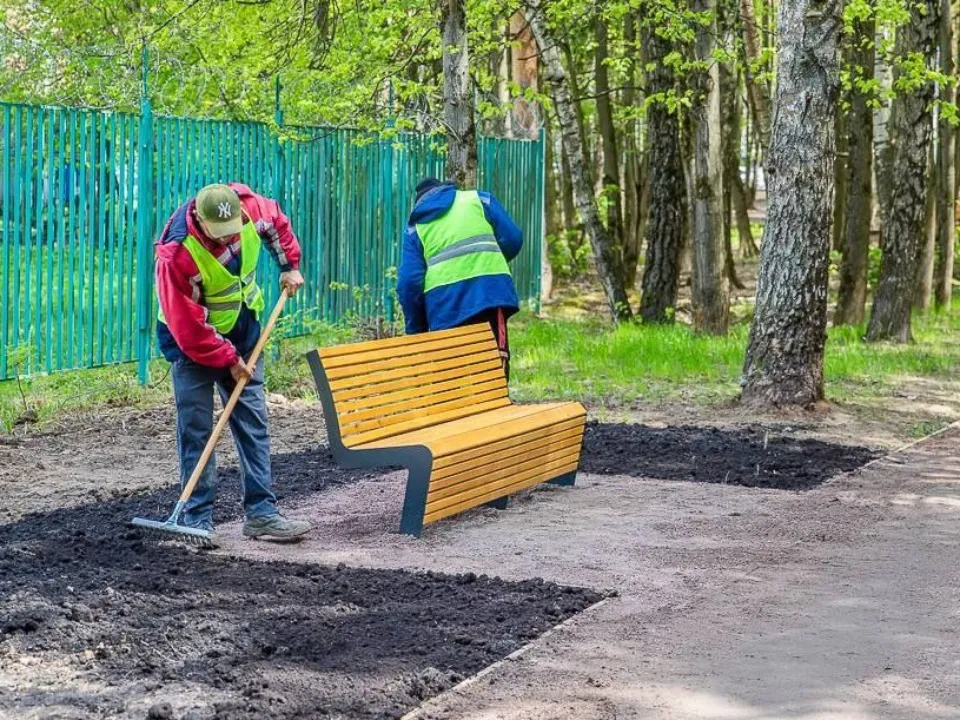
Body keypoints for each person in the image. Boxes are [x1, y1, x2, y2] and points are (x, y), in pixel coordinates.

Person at [155, 183, 312, 548]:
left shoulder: (250, 209)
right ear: (200, 220)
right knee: (197, 430)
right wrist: (229, 359)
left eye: (233, 230)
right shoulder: (177, 254)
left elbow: (277, 223)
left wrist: (289, 265)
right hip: (191, 345)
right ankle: (196, 519)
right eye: (219, 233)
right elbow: (188, 327)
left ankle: (261, 513)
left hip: (244, 332)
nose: (228, 238)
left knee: (253, 423)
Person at [397, 178, 523, 379]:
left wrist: (416, 331)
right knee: (494, 372)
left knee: (453, 379)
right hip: (490, 297)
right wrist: (489, 264)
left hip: (444, 310)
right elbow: (513, 238)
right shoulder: (478, 199)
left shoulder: (416, 228)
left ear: (419, 203)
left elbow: (409, 283)